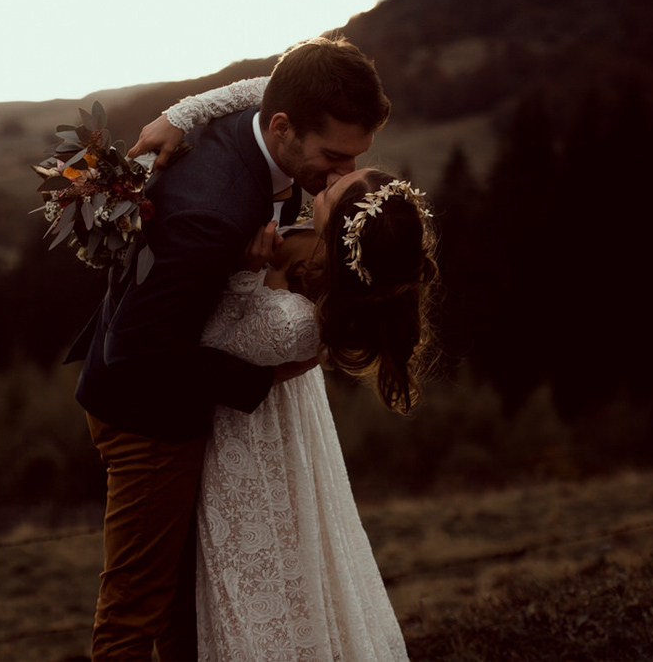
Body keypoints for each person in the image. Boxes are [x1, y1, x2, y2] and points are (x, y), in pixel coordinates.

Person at [64, 36, 391, 660]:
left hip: (173, 394)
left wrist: (182, 111)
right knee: (139, 606)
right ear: (284, 127)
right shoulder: (212, 212)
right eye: (333, 156)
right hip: (147, 418)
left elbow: (261, 85)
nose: (343, 175)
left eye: (354, 158)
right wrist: (261, 380)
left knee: (189, 605)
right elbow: (138, 353)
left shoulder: (269, 133)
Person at [133, 80, 436, 660]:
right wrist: (182, 113)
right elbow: (282, 81)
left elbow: (213, 337)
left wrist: (250, 274)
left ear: (345, 233)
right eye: (340, 163)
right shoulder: (324, 263)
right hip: (283, 427)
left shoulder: (296, 323)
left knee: (253, 578)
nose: (333, 176)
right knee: (294, 568)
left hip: (248, 446)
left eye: (340, 184)